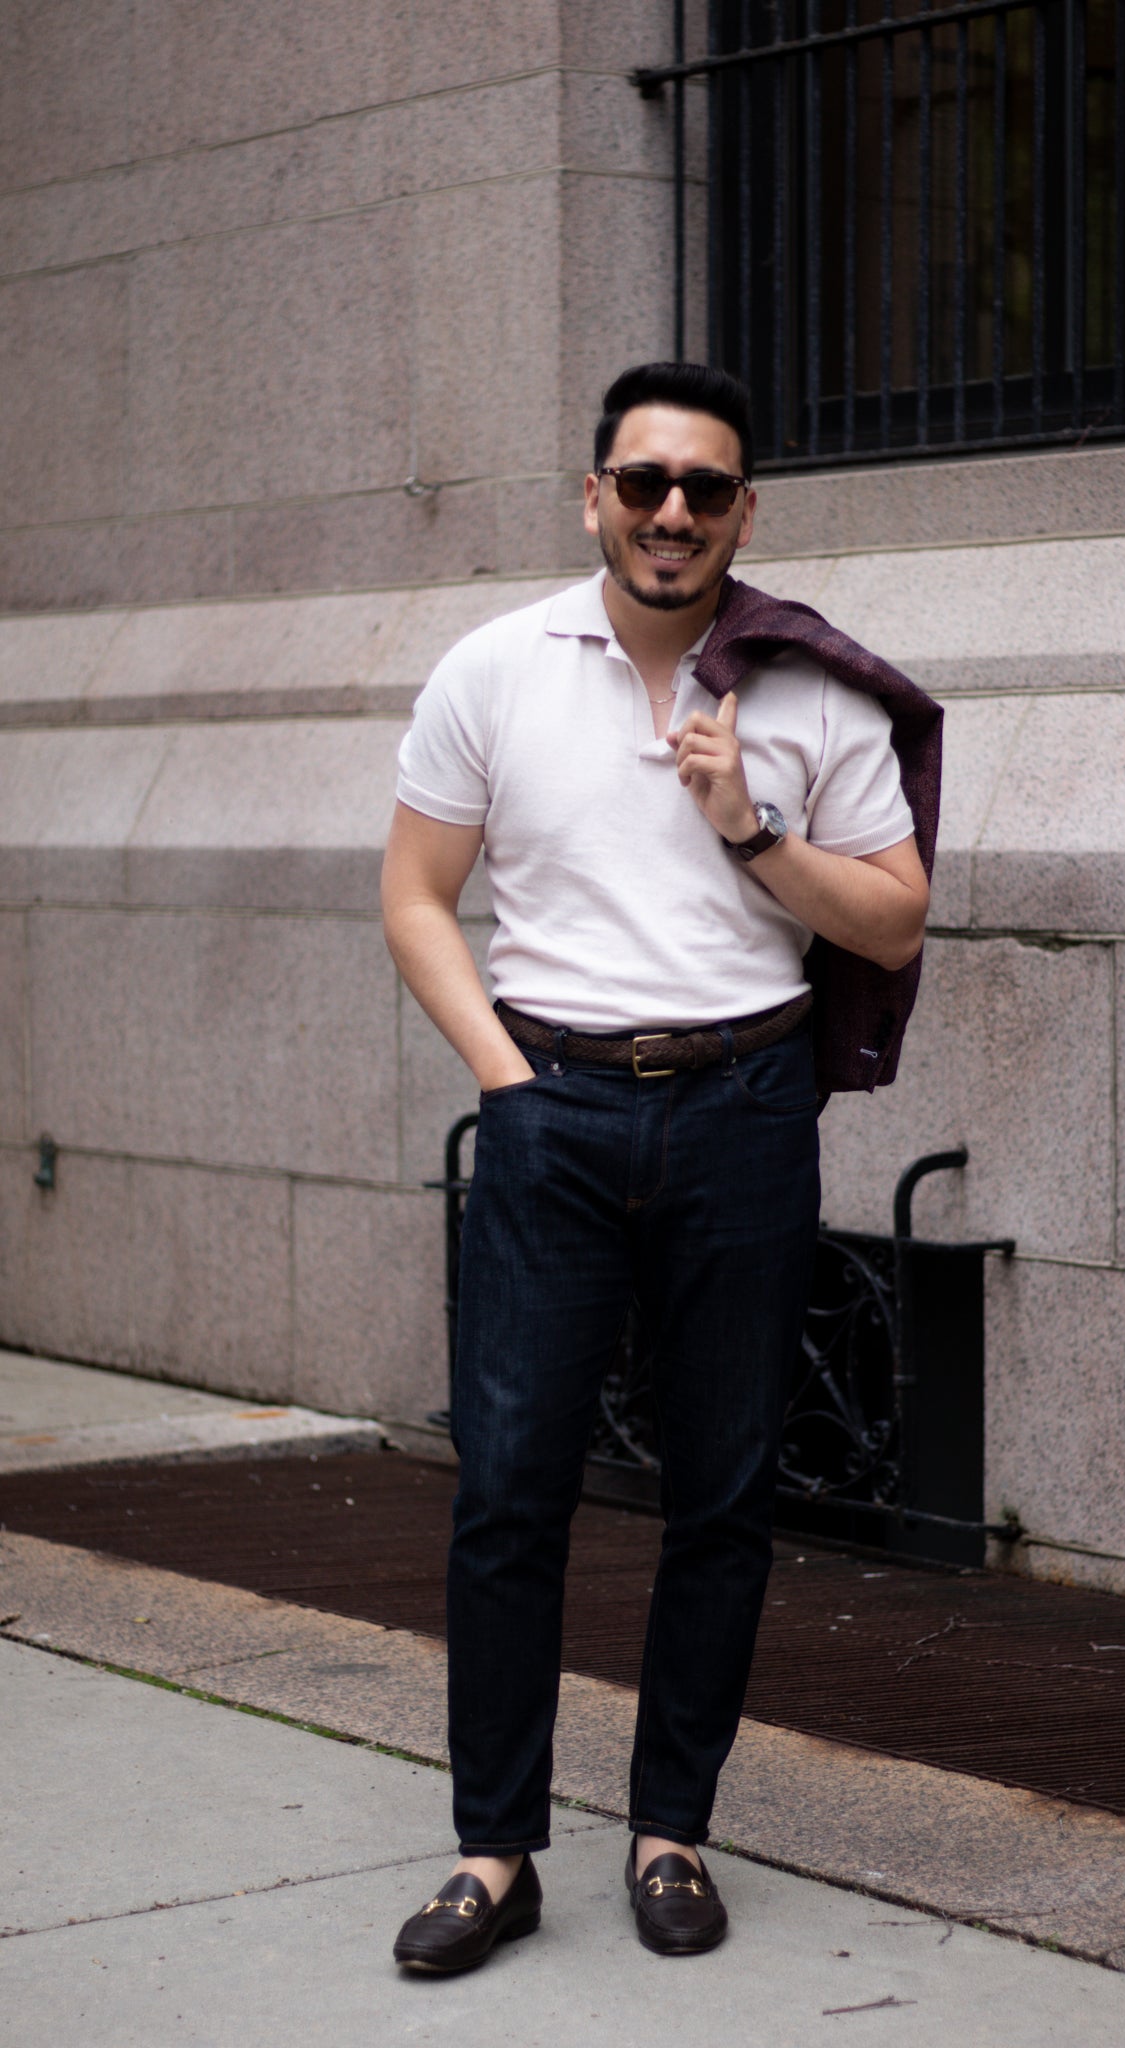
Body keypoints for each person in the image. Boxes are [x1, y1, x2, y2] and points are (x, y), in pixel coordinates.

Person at [383, 361, 932, 1972]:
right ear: (594, 497)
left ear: (744, 511)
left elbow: (894, 919)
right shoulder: (494, 669)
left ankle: (671, 1832)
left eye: (704, 488)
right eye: (643, 483)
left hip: (744, 1112)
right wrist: (509, 1086)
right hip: (550, 1107)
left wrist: (748, 826)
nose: (671, 512)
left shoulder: (808, 691)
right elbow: (417, 896)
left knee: (723, 1495)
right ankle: (494, 1853)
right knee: (506, 1491)